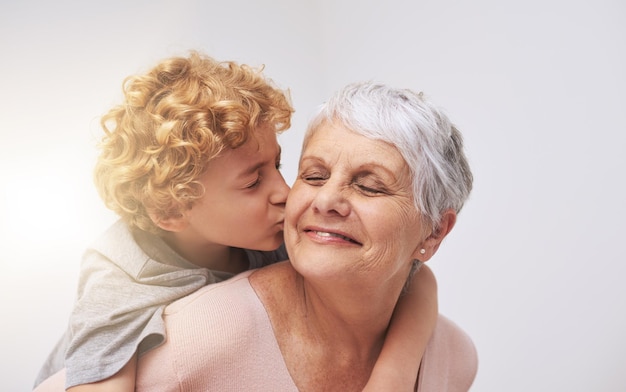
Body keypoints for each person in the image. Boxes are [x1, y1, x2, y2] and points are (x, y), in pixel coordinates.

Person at [33, 54, 440, 391]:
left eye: (277, 164)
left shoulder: (271, 230)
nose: (285, 191)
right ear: (174, 211)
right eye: (252, 181)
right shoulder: (121, 276)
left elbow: (417, 277)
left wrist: (392, 378)